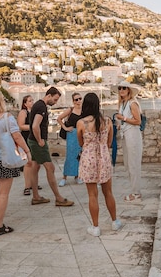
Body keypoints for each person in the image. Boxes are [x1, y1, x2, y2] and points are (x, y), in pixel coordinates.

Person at [0, 90, 32, 236]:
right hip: (6, 159)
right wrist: (27, 152)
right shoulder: (7, 118)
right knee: (3, 194)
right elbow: (17, 137)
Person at [77, 92, 122, 236]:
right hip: (104, 158)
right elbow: (109, 142)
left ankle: (95, 227)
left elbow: (81, 143)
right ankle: (114, 221)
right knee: (108, 192)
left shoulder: (81, 123)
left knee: (92, 194)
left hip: (89, 159)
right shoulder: (107, 121)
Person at [28, 86, 74, 207]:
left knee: (35, 167)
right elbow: (35, 126)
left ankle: (36, 197)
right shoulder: (41, 107)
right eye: (55, 99)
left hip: (32, 140)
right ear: (49, 96)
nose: (55, 102)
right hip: (38, 141)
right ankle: (58, 198)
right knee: (50, 168)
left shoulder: (38, 105)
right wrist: (40, 140)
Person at [115, 80, 143, 201]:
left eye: (124, 88)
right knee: (127, 163)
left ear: (128, 90)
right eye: (120, 88)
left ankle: (136, 193)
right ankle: (134, 190)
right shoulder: (123, 103)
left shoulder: (132, 103)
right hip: (125, 134)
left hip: (133, 135)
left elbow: (138, 121)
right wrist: (120, 123)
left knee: (133, 163)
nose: (121, 90)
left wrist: (124, 118)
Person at [17, 94, 43, 196]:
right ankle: (27, 186)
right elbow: (21, 126)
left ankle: (34, 183)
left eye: (32, 100)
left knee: (36, 163)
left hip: (34, 138)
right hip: (26, 138)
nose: (32, 102)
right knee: (28, 163)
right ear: (25, 103)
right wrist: (33, 127)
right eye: (30, 101)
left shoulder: (35, 113)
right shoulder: (23, 112)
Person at [57, 92, 84, 186]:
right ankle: (64, 177)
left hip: (81, 135)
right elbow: (59, 118)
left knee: (79, 156)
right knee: (70, 156)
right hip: (72, 135)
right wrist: (65, 128)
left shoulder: (84, 110)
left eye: (80, 98)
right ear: (73, 101)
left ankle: (77, 176)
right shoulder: (70, 110)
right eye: (76, 99)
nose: (78, 101)